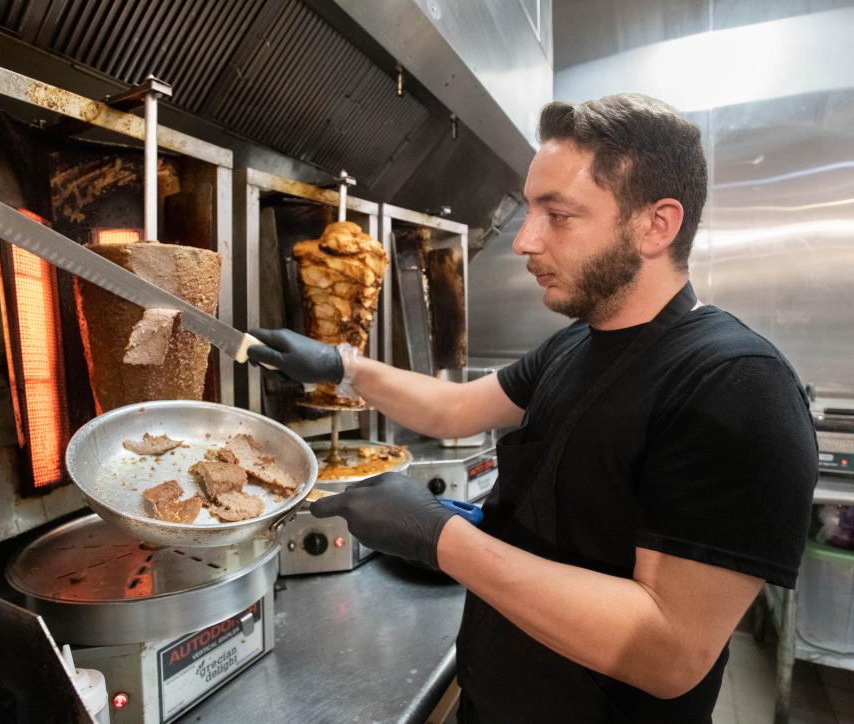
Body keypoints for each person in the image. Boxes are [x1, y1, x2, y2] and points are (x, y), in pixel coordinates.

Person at [249, 94, 818, 723]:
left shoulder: (734, 386)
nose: (524, 241)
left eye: (559, 215)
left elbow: (670, 651)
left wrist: (442, 539)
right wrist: (342, 366)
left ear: (657, 225)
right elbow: (456, 409)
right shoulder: (578, 340)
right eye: (529, 211)